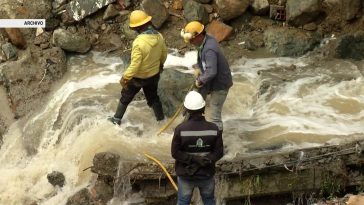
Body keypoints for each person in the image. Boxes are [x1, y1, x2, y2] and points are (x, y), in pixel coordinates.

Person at [109, 10, 167, 125]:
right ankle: (161, 120)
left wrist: (125, 77)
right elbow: (164, 54)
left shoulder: (138, 42)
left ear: (137, 28)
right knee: (153, 97)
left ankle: (116, 119)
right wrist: (160, 65)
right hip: (154, 75)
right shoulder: (159, 36)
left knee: (125, 97)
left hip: (138, 77)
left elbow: (135, 65)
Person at [171, 91, 224, 205]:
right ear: (203, 108)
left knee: (183, 201)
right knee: (209, 200)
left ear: (186, 110)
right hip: (206, 174)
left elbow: (175, 153)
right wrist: (206, 160)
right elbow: (219, 152)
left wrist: (193, 160)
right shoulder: (214, 129)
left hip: (186, 175)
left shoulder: (180, 129)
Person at [180, 21, 233, 133]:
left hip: (220, 85)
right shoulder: (205, 40)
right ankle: (187, 130)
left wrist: (200, 80)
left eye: (192, 39)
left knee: (215, 117)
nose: (190, 42)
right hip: (210, 81)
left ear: (199, 35)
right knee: (192, 106)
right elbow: (205, 61)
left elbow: (212, 71)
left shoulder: (209, 48)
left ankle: (217, 143)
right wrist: (199, 66)